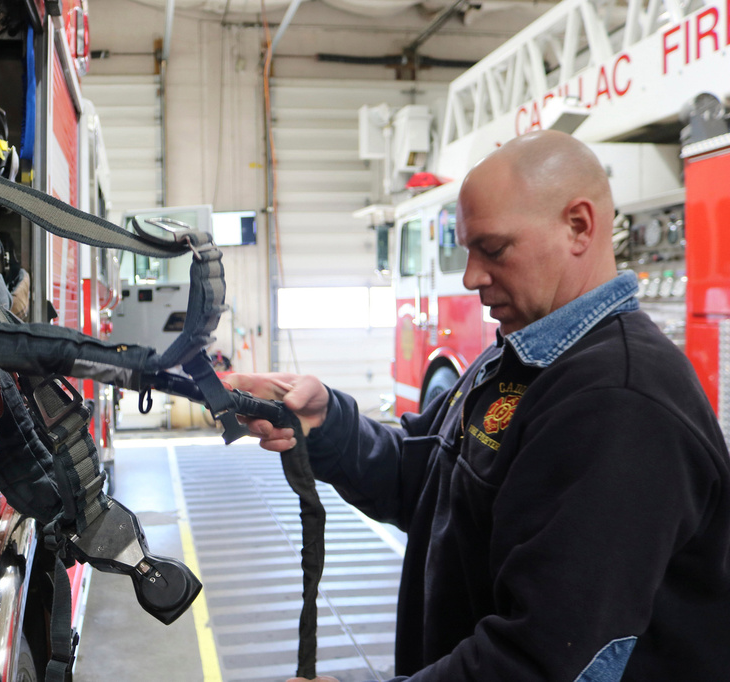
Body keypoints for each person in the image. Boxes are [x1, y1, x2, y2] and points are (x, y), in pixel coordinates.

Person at [229, 130, 730, 681]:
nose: (471, 277)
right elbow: (425, 480)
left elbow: (540, 662)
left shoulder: (621, 404)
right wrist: (324, 422)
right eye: (466, 249)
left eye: (493, 249)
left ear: (579, 226)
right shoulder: (519, 359)